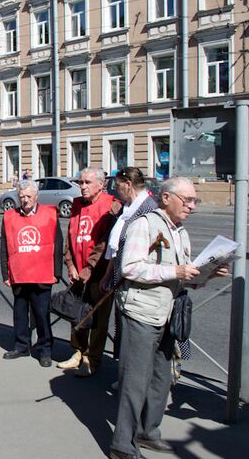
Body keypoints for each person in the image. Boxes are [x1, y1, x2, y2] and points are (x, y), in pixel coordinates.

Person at [110, 177, 228, 459]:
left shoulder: (180, 231)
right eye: (187, 200)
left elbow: (184, 278)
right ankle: (122, 445)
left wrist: (207, 273)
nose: (192, 206)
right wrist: (175, 272)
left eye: (194, 200)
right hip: (142, 313)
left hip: (167, 314)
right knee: (135, 382)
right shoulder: (144, 224)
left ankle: (148, 432)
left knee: (162, 379)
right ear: (166, 198)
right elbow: (130, 268)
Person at [58, 167, 122, 377]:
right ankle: (77, 351)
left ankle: (92, 359)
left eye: (87, 182)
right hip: (78, 271)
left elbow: (105, 243)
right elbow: (70, 236)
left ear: (101, 184)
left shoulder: (112, 205)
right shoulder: (76, 204)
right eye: (80, 182)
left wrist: (89, 268)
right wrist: (70, 264)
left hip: (100, 274)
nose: (82, 186)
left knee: (98, 318)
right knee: (76, 314)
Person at [0, 179, 62, 366]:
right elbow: (5, 246)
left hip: (42, 274)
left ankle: (44, 350)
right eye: (21, 197)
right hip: (19, 274)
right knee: (20, 312)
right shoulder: (10, 216)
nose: (25, 200)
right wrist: (5, 274)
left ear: (36, 196)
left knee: (42, 314)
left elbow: (58, 245)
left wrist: (57, 272)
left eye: (28, 196)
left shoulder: (50, 214)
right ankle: (21, 345)